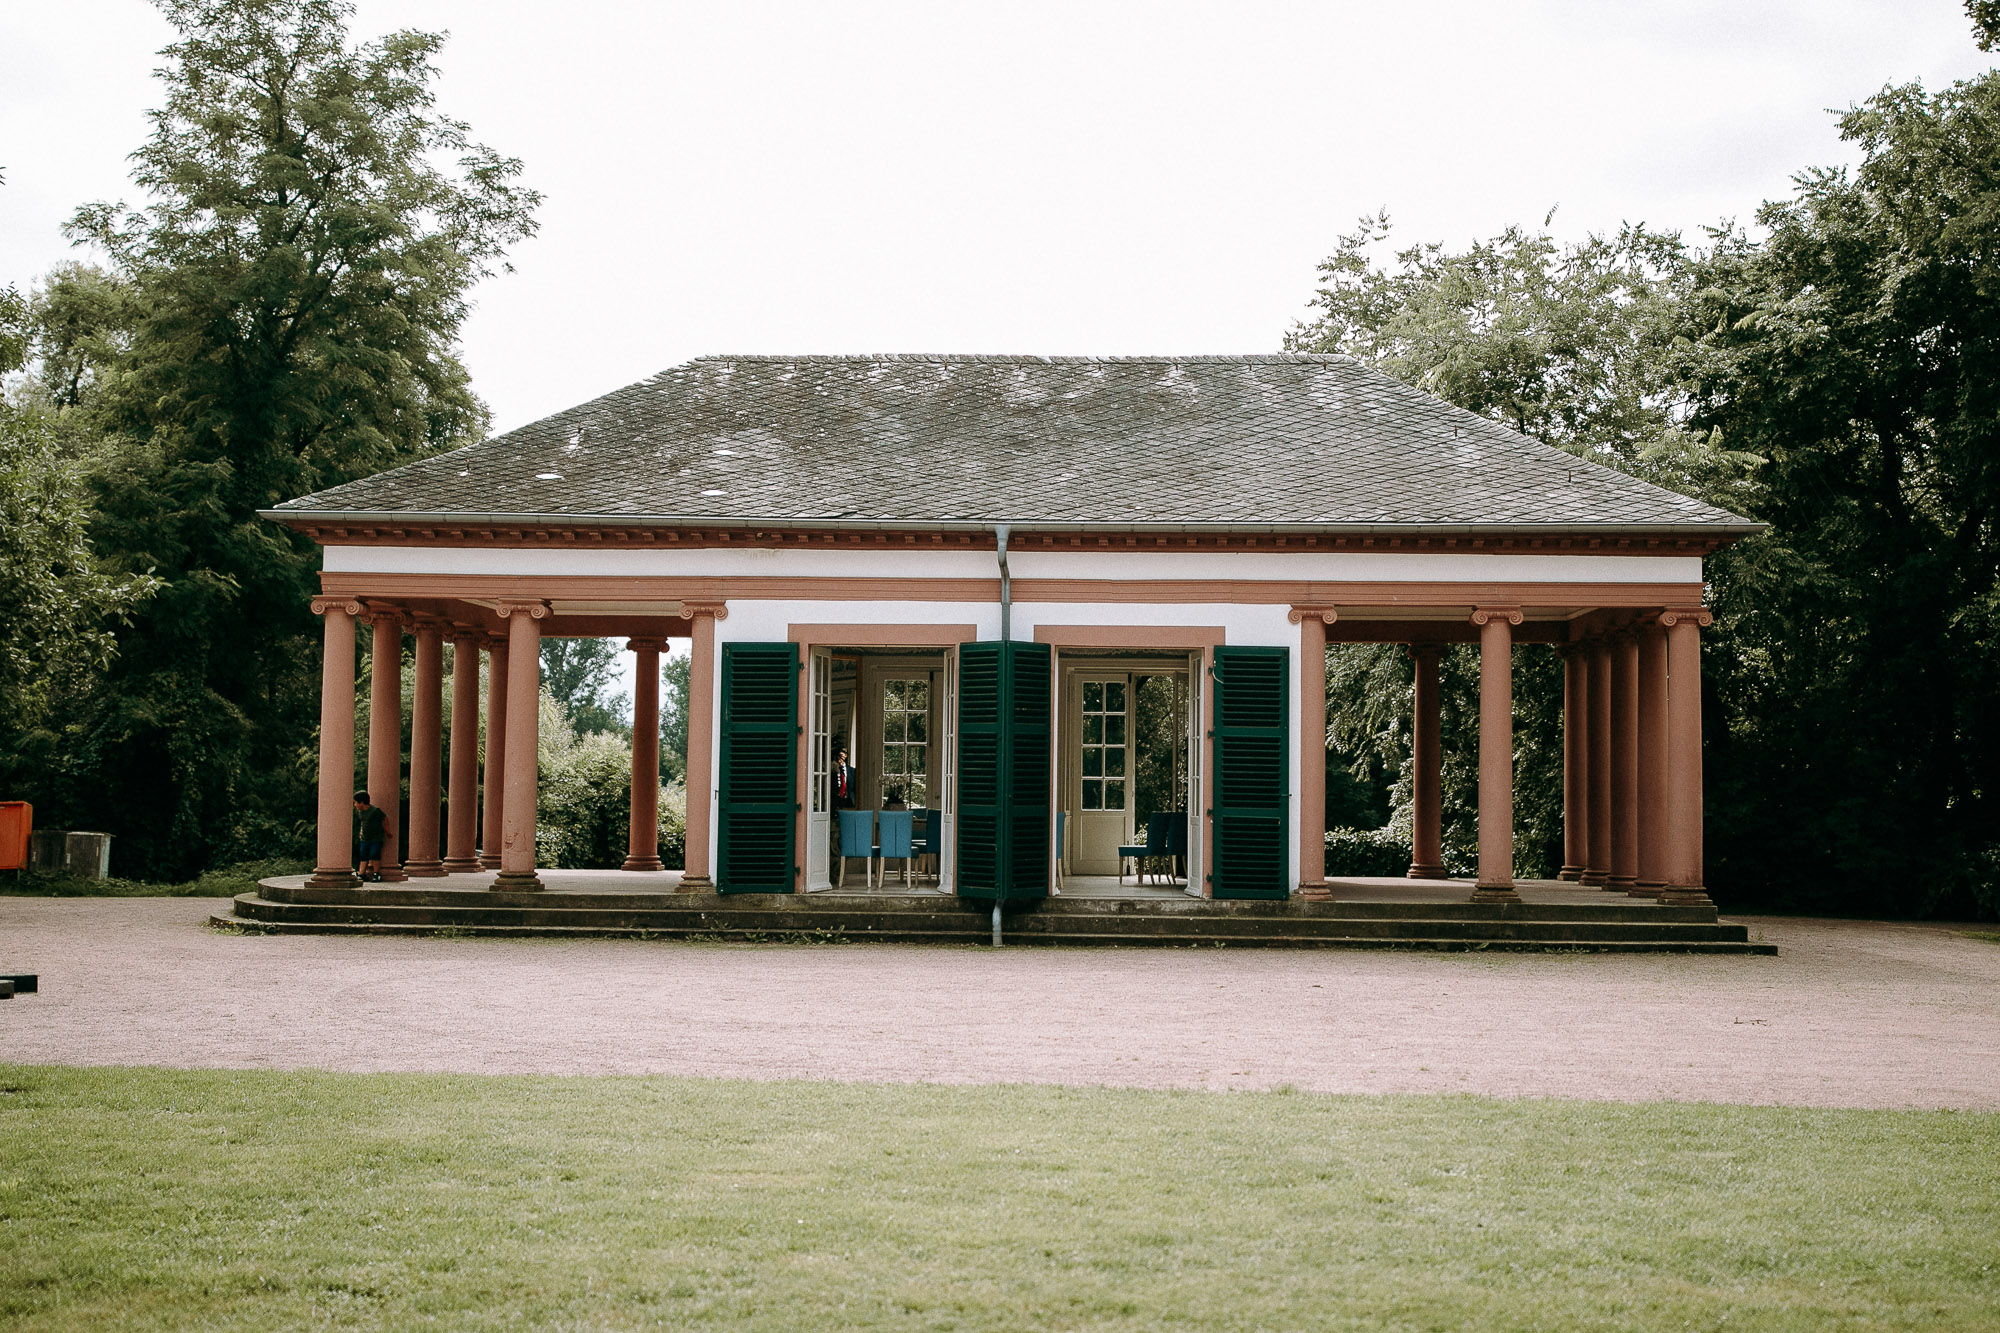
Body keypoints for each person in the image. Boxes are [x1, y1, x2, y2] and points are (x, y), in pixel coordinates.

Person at [353, 791, 386, 882]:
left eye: (355, 802)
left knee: (374, 854)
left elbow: (384, 819)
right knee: (363, 855)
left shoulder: (375, 811)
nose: (355, 805)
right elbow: (363, 824)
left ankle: (376, 873)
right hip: (365, 837)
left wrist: (387, 831)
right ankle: (361, 873)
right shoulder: (360, 812)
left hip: (376, 837)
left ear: (361, 802)